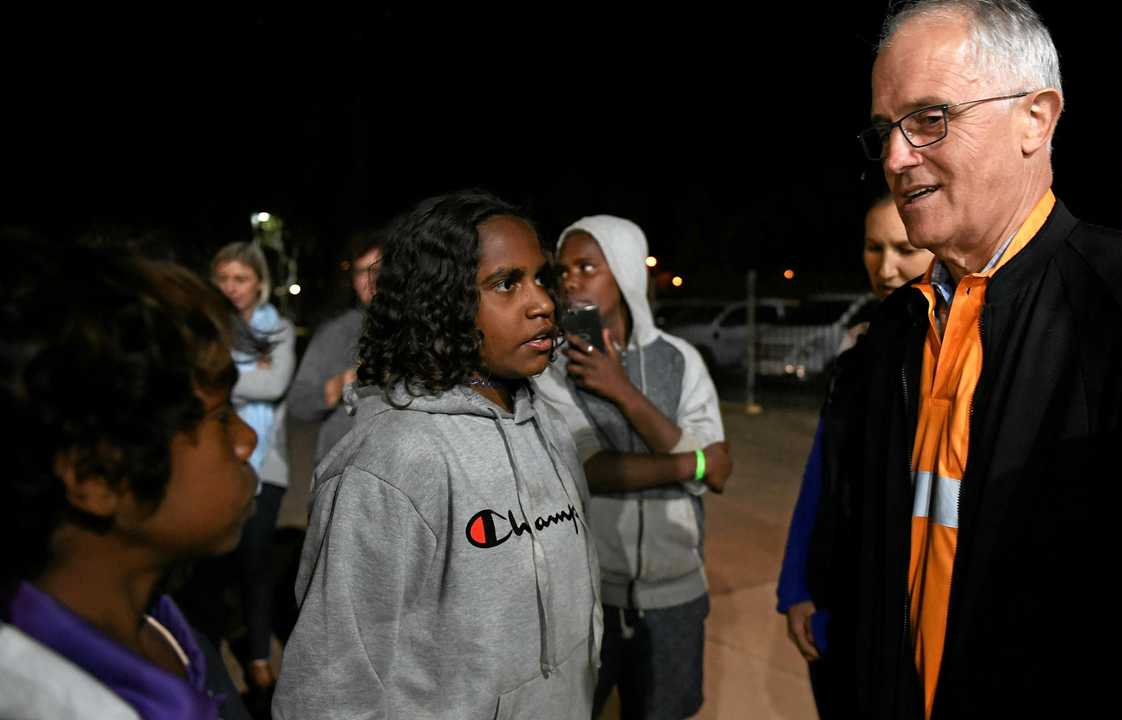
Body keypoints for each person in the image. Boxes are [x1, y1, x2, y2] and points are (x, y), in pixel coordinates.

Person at [813, 1, 1122, 717]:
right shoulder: (894, 334)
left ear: (1037, 117)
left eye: (930, 119)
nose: (896, 157)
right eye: (885, 130)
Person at [273, 192, 601, 720]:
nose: (542, 302)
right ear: (442, 300)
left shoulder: (550, 426)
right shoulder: (390, 464)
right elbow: (329, 691)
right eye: (505, 283)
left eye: (542, 278)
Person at [0, 245, 259, 719]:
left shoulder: (166, 630)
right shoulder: (45, 703)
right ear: (96, 476)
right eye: (221, 418)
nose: (247, 440)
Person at [533, 215, 732, 720]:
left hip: (677, 592)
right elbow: (591, 470)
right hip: (587, 596)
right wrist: (695, 463)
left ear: (623, 272)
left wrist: (621, 389)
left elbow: (723, 475)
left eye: (587, 266)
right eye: (563, 270)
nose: (571, 280)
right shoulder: (552, 368)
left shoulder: (680, 359)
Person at [776, 189, 931, 718]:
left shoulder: (957, 361)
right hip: (837, 608)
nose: (886, 268)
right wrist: (797, 586)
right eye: (873, 248)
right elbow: (822, 474)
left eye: (904, 249)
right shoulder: (855, 354)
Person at [210, 241, 297, 699]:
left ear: (259, 282)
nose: (231, 288)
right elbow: (198, 377)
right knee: (214, 563)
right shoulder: (210, 327)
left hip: (267, 464)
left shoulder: (278, 329)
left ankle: (259, 656)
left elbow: (275, 382)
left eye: (240, 278)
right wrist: (246, 376)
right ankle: (209, 652)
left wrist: (224, 377)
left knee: (255, 562)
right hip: (215, 459)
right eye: (223, 278)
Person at [286, 230, 383, 465]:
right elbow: (299, 403)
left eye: (379, 270)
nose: (370, 279)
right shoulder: (336, 333)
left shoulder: (423, 330)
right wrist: (339, 385)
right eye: (361, 271)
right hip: (342, 472)